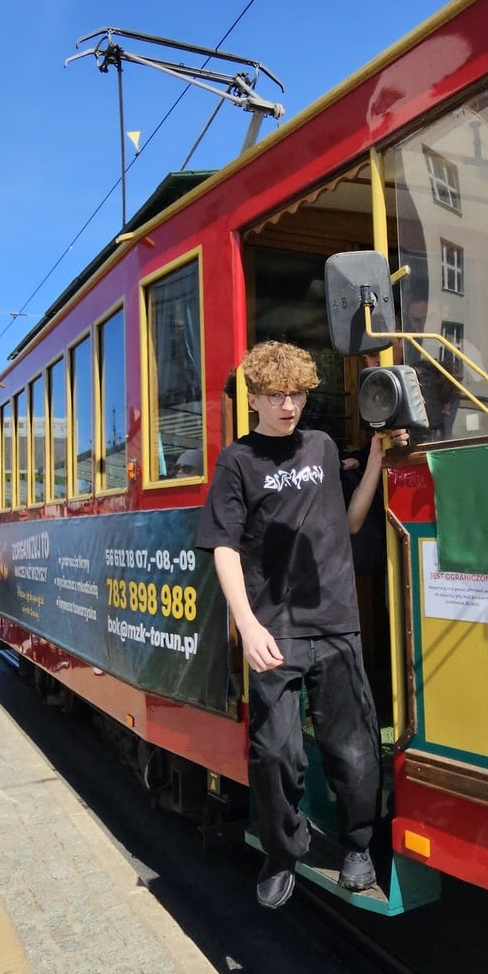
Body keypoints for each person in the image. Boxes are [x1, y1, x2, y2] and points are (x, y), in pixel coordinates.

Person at [198, 341, 390, 910]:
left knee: (353, 748)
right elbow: (224, 549)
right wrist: (247, 625)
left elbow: (349, 523)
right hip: (273, 630)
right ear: (253, 398)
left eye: (299, 394)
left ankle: (358, 847)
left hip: (335, 623)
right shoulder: (238, 460)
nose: (289, 406)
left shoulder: (324, 447)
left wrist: (377, 456)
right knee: (277, 751)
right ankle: (284, 849)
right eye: (277, 395)